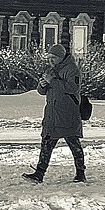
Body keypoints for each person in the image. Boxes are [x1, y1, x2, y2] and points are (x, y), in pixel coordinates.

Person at [23, 43, 86, 184]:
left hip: (67, 114)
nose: (51, 60)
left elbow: (72, 88)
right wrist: (42, 85)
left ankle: (80, 173)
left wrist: (52, 81)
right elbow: (41, 91)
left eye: (54, 58)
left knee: (74, 144)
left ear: (61, 57)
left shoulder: (72, 70)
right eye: (49, 58)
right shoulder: (51, 70)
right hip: (52, 113)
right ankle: (39, 173)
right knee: (46, 143)